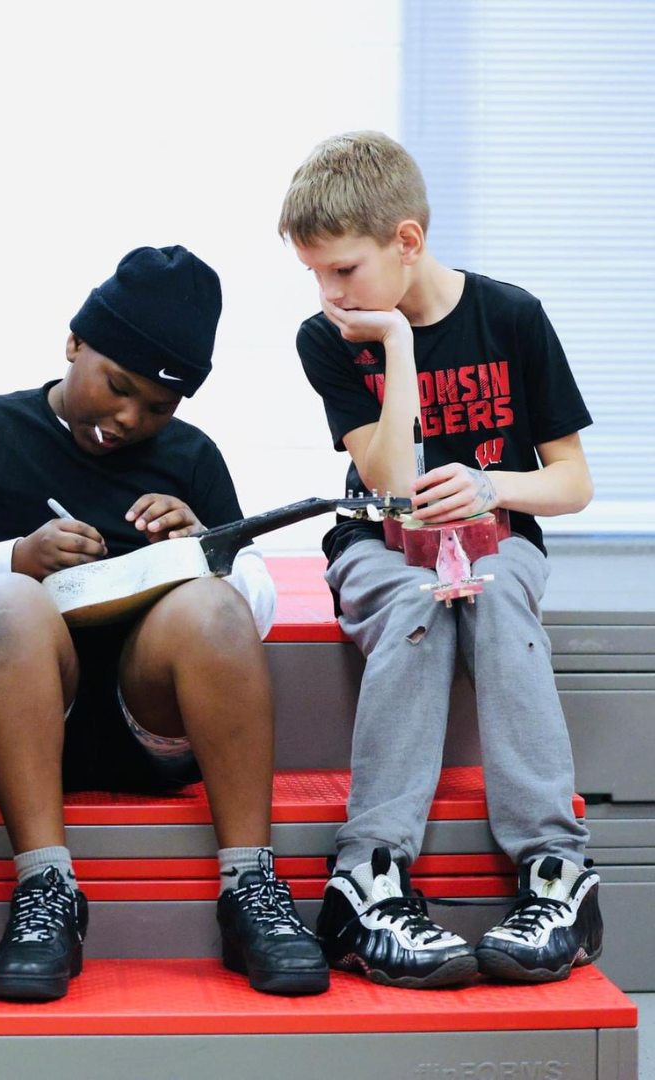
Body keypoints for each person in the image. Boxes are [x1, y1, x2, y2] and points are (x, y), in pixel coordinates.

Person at [0, 245, 329, 1001]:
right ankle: (46, 891)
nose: (130, 419)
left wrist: (208, 549)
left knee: (211, 602)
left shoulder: (191, 457)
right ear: (73, 344)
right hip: (22, 724)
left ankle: (251, 890)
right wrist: (15, 557)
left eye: (157, 408)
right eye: (116, 386)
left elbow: (253, 611)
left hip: (155, 728)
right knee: (4, 600)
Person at [279, 131, 601, 988]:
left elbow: (571, 484)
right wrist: (399, 345)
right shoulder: (333, 339)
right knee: (424, 603)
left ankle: (558, 876)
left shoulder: (513, 317)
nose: (327, 291)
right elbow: (388, 478)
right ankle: (369, 877)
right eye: (314, 273)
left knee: (489, 595)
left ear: (407, 241)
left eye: (342, 270)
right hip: (376, 544)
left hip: (499, 542)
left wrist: (493, 487)